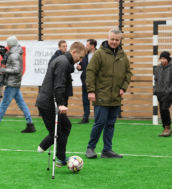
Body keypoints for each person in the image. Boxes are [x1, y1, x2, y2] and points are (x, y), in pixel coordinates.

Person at [36, 42, 86, 167]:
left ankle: (61, 158)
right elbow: (59, 85)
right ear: (74, 52)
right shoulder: (63, 62)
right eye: (80, 58)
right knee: (55, 133)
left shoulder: (64, 61)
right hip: (48, 103)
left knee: (66, 126)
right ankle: (42, 147)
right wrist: (61, 104)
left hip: (50, 101)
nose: (79, 61)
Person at [85, 28, 132, 159]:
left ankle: (107, 150)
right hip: (101, 95)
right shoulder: (99, 54)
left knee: (110, 124)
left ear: (120, 40)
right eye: (112, 39)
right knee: (99, 123)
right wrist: (91, 91)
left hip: (116, 97)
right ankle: (90, 148)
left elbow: (128, 73)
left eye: (117, 40)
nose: (114, 42)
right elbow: (90, 72)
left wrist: (123, 88)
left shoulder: (123, 55)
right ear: (107, 38)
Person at [0, 36, 36, 133]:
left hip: (12, 83)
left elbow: (16, 69)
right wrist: (5, 55)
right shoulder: (15, 53)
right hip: (14, 82)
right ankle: (30, 124)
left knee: (3, 105)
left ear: (10, 44)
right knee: (21, 104)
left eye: (7, 43)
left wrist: (4, 70)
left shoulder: (14, 55)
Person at [154, 51, 172, 137]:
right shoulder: (157, 68)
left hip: (169, 93)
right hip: (160, 93)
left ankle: (168, 127)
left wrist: (169, 91)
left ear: (168, 59)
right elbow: (156, 80)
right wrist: (156, 91)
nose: (162, 60)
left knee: (165, 109)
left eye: (164, 58)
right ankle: (165, 127)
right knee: (161, 111)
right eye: (161, 58)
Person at [76, 39, 97, 124]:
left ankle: (97, 117)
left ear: (92, 46)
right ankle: (86, 117)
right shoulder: (85, 55)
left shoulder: (98, 54)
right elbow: (82, 66)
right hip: (85, 81)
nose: (86, 46)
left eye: (87, 45)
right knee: (85, 100)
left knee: (96, 101)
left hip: (96, 82)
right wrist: (79, 67)